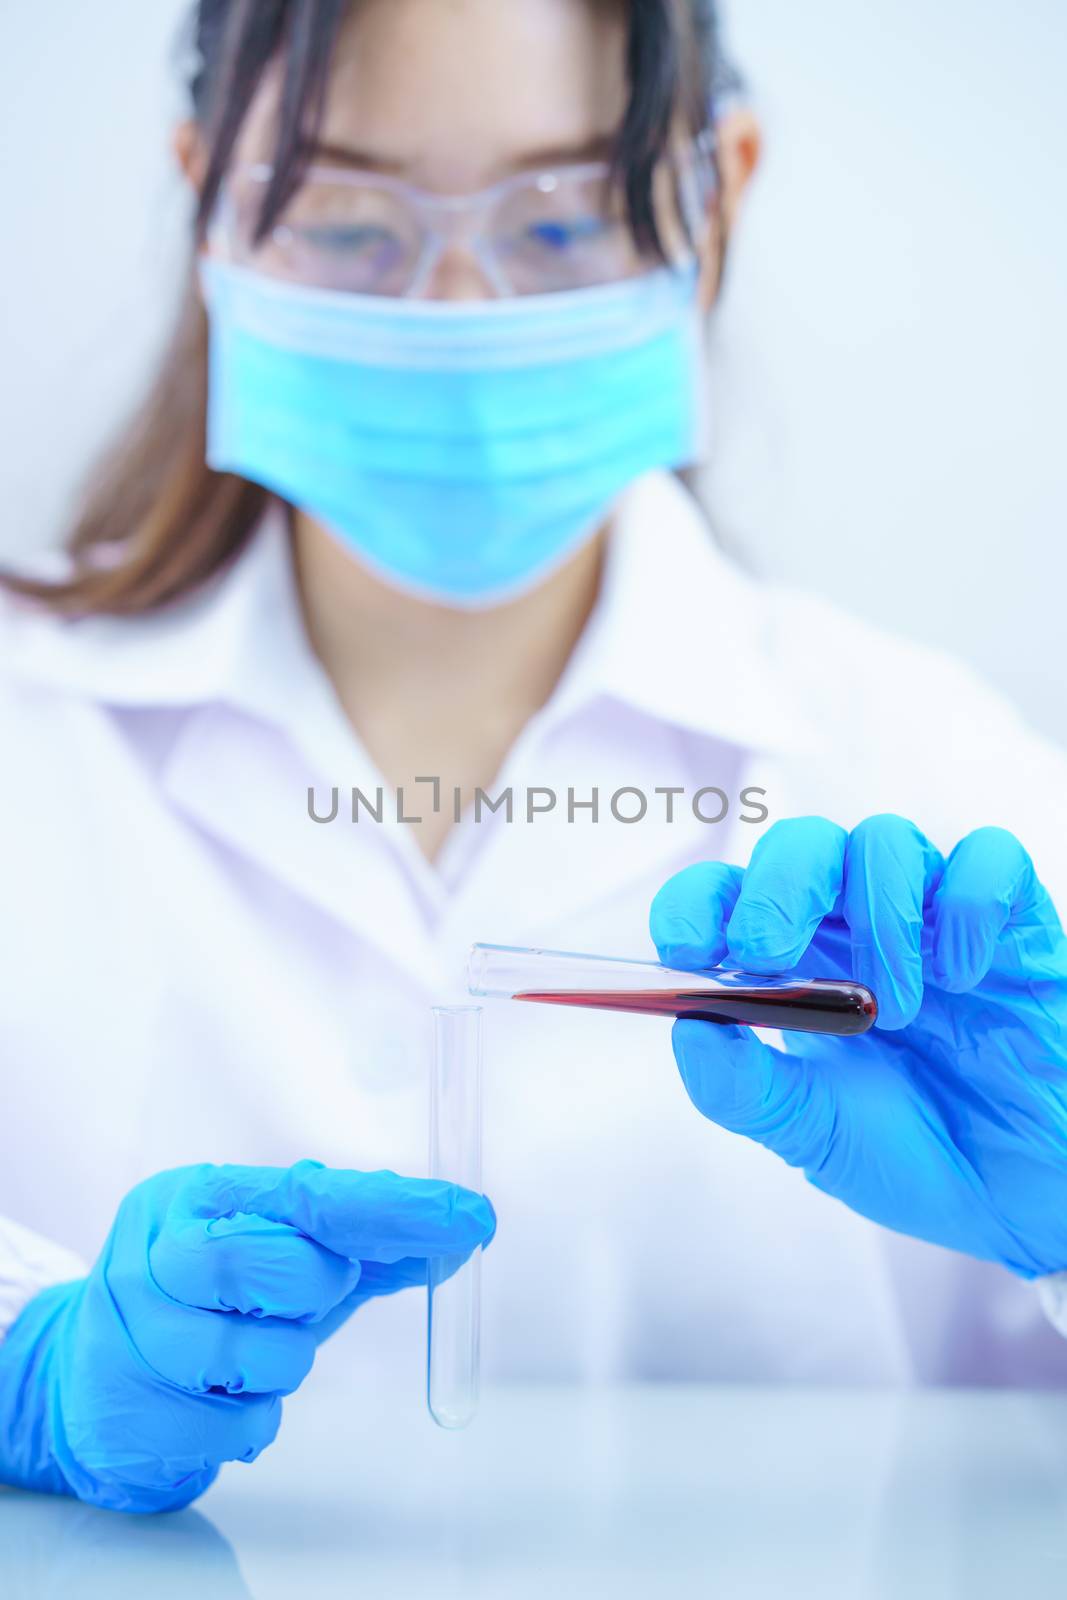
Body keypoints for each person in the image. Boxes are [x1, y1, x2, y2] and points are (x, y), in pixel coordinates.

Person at [0, 0, 1064, 1516]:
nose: (451, 306)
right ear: (210, 206)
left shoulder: (943, 774)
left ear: (719, 193)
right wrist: (24, 1361)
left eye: (559, 223)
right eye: (348, 219)